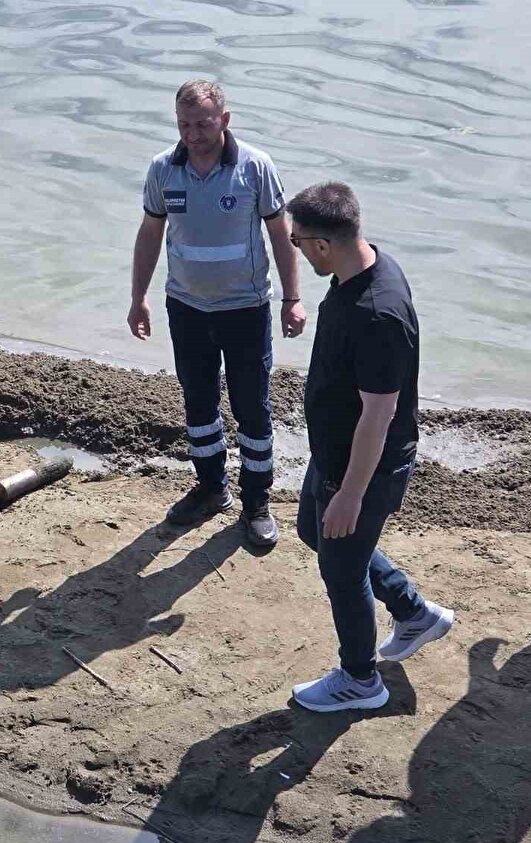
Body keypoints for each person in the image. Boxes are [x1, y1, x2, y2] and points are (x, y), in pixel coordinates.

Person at [285, 182, 453, 713]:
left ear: (322, 244)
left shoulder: (378, 313)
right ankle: (414, 612)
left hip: (364, 466)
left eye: (295, 240)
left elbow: (379, 417)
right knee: (313, 530)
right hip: (336, 452)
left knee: (341, 569)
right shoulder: (360, 269)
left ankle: (360, 680)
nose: (292, 247)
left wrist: (351, 494)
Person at [129, 79, 305, 547]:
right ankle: (210, 489)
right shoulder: (163, 169)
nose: (193, 134)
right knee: (199, 404)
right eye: (184, 125)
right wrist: (138, 297)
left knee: (252, 407)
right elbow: (149, 234)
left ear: (224, 120)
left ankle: (256, 503)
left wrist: (292, 298)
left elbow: (280, 234)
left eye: (203, 124)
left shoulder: (256, 167)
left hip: (245, 309)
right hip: (186, 307)